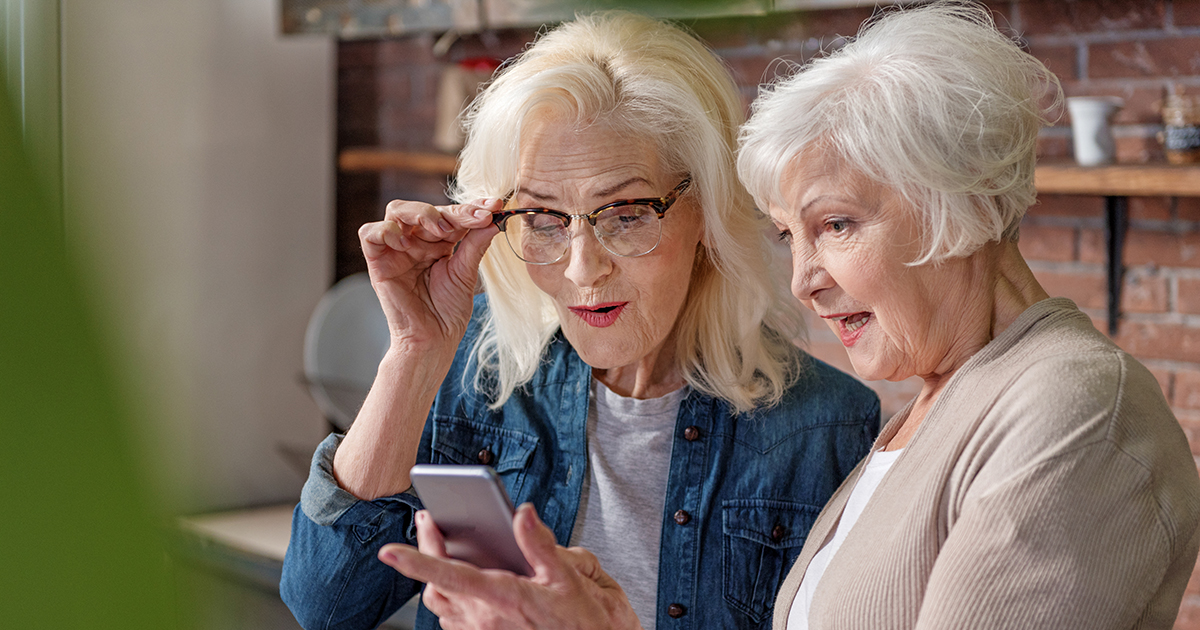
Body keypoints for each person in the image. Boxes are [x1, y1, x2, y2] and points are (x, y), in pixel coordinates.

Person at [380, 3, 1200, 629]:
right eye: (790, 236)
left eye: (836, 224)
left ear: (969, 202)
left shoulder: (1075, 410)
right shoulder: (933, 408)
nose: (804, 281)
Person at [280, 11, 880, 630]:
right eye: (542, 218)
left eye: (625, 214)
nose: (581, 269)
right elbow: (324, 605)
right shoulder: (468, 374)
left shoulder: (824, 426)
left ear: (704, 210)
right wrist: (413, 350)